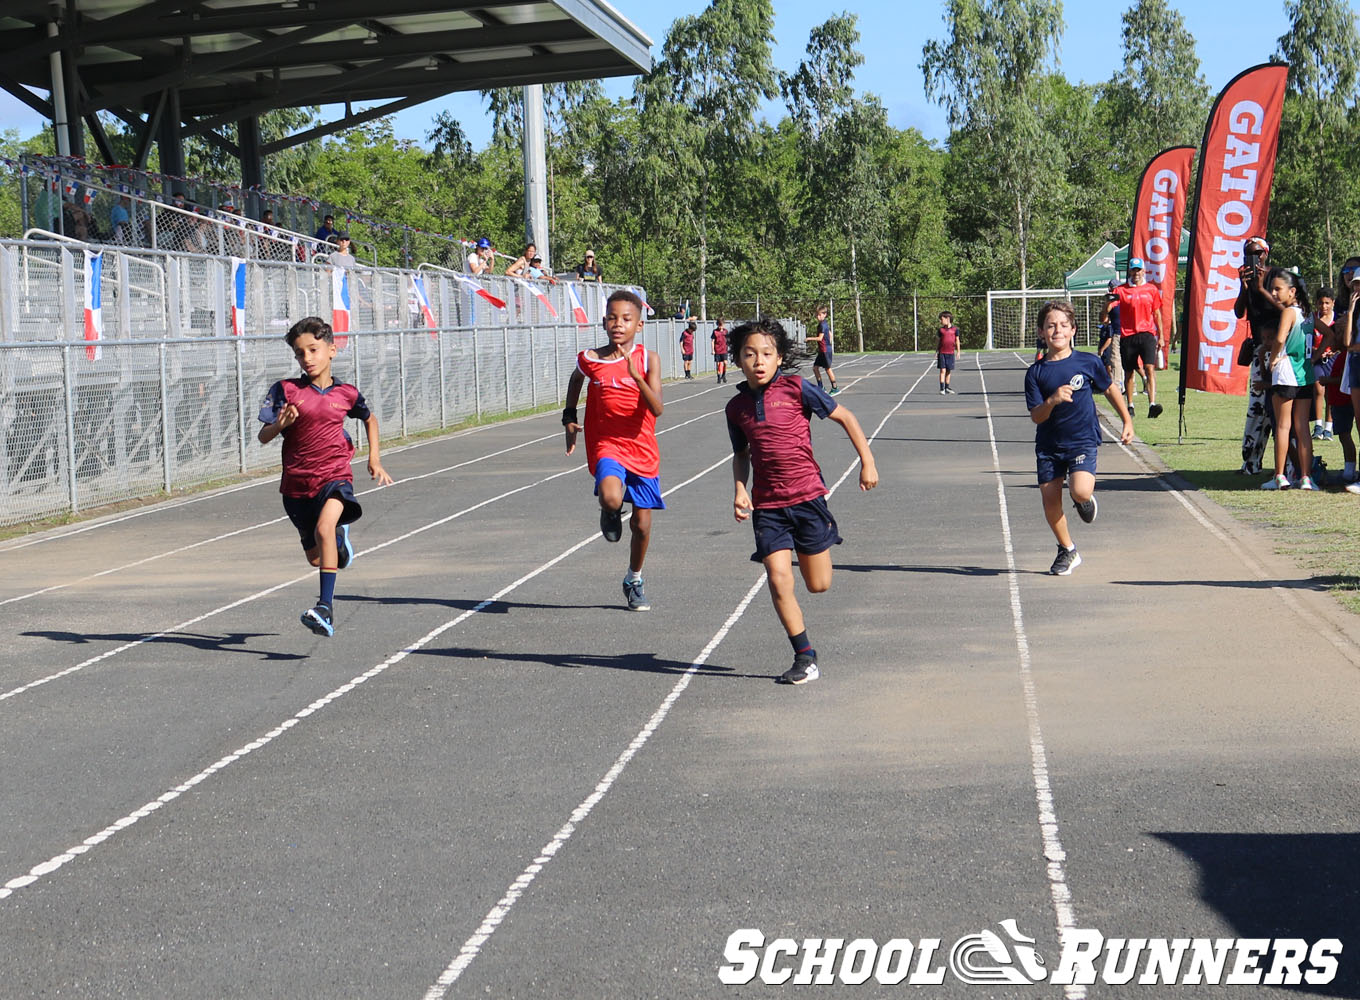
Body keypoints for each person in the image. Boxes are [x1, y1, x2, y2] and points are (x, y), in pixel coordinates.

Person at [727, 317, 878, 685]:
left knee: (818, 585)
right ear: (739, 360)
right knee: (778, 580)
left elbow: (845, 416)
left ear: (779, 358)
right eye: (750, 354)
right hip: (768, 507)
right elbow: (741, 453)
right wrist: (740, 489)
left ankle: (807, 548)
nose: (758, 361)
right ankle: (804, 656)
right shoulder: (736, 408)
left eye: (766, 354)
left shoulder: (797, 388)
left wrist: (867, 462)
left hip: (808, 497)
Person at [257, 316, 393, 636]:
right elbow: (264, 436)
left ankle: (325, 608)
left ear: (332, 350)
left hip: (334, 476)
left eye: (313, 350)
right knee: (316, 558)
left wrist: (374, 458)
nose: (307, 358)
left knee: (324, 527)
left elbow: (369, 419)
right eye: (300, 353)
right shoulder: (285, 390)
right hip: (296, 485)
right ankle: (340, 546)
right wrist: (281, 424)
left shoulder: (346, 393)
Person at [562, 290, 664, 612]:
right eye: (612, 317)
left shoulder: (648, 359)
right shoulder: (591, 359)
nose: (617, 324)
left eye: (626, 319)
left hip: (642, 449)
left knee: (642, 527)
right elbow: (576, 379)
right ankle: (610, 509)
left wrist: (636, 375)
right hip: (607, 444)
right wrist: (569, 416)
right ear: (604, 321)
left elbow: (658, 408)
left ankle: (634, 579)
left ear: (639, 325)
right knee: (610, 497)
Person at [1025, 299, 1134, 576]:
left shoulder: (1088, 362)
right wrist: (1052, 400)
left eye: (1063, 325)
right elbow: (1037, 416)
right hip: (1049, 446)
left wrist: (1127, 420)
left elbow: (1109, 389)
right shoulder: (1035, 373)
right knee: (1050, 502)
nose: (1057, 331)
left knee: (1080, 490)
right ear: (1041, 332)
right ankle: (1067, 549)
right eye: (1050, 326)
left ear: (1073, 330)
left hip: (1082, 440)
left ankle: (1083, 500)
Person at [1260, 268, 1318, 491]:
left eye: (1277, 289)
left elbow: (1280, 338)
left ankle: (1280, 476)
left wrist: (1272, 360)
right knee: (1302, 427)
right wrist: (1314, 356)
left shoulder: (1289, 312)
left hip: (1286, 372)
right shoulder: (1309, 313)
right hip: (1305, 374)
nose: (1273, 293)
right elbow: (1329, 335)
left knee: (1283, 427)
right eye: (1271, 289)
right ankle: (1305, 477)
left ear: (1292, 291)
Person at [1234, 236, 1280, 474]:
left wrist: (1262, 288)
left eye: (1257, 253)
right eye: (1249, 253)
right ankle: (1250, 462)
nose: (1253, 257)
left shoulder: (1277, 277)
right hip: (1258, 351)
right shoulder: (1247, 280)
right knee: (1256, 409)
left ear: (1266, 253)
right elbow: (1238, 312)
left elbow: (1286, 309)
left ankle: (1288, 467)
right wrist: (1245, 288)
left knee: (1281, 409)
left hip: (1281, 352)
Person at [1102, 256, 1163, 418]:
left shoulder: (1151, 290)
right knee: (1129, 371)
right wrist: (1105, 306)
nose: (1136, 273)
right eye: (1133, 270)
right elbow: (1105, 315)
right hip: (1128, 335)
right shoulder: (1120, 290)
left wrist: (1162, 336)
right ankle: (1130, 405)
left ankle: (1152, 404)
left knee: (1149, 367)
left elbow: (1157, 313)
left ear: (1143, 271)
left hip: (1147, 333)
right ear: (1129, 271)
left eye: (1138, 270)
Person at [1311, 286, 1337, 441]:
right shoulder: (1313, 318)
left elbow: (1341, 341)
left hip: (1332, 359)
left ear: (1333, 303)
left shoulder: (1338, 318)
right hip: (1316, 360)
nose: (1324, 307)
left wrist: (1334, 351)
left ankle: (1329, 427)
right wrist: (1316, 350)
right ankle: (1318, 425)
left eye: (1327, 303)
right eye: (1321, 303)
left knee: (1331, 393)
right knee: (1318, 390)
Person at [808, 306, 840, 395]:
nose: (818, 317)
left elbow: (820, 338)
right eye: (817, 315)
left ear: (825, 315)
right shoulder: (823, 324)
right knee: (815, 368)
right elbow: (830, 334)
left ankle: (835, 388)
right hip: (822, 350)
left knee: (828, 369)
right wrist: (829, 341)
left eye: (819, 315)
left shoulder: (823, 325)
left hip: (825, 351)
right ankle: (821, 387)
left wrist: (809, 338)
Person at [937, 311, 960, 393]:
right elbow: (940, 341)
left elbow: (957, 340)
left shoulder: (955, 330)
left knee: (948, 370)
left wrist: (958, 352)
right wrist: (937, 351)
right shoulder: (941, 330)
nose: (940, 321)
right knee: (942, 370)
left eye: (942, 319)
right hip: (942, 353)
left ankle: (947, 387)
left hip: (950, 353)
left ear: (948, 319)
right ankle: (942, 388)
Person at [712, 318, 730, 384]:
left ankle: (724, 375)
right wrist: (713, 350)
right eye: (719, 325)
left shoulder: (725, 331)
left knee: (725, 363)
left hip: (724, 350)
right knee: (718, 364)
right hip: (717, 350)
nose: (720, 327)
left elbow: (728, 340)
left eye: (721, 325)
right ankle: (718, 377)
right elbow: (713, 341)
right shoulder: (715, 332)